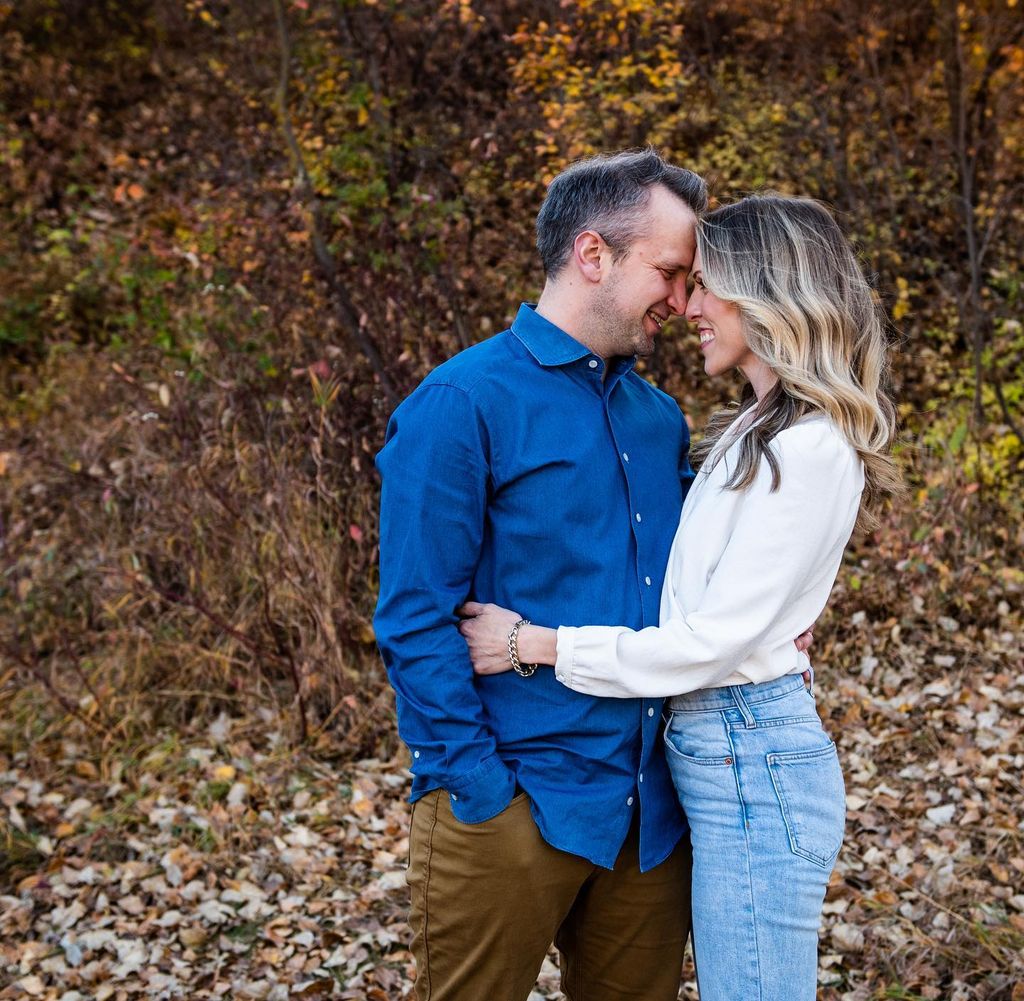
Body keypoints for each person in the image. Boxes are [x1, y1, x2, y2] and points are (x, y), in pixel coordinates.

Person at [458, 194, 901, 1001]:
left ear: (769, 292)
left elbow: (706, 641)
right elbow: (706, 582)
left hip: (752, 757)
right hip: (720, 752)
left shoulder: (810, 448)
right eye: (683, 281)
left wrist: (536, 643)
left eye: (706, 285)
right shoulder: (752, 431)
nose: (687, 305)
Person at [373, 148, 708, 1000]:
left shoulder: (658, 416)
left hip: (650, 820)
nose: (682, 300)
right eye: (669, 272)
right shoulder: (463, 403)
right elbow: (415, 618)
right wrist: (481, 791)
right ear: (593, 254)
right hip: (510, 807)